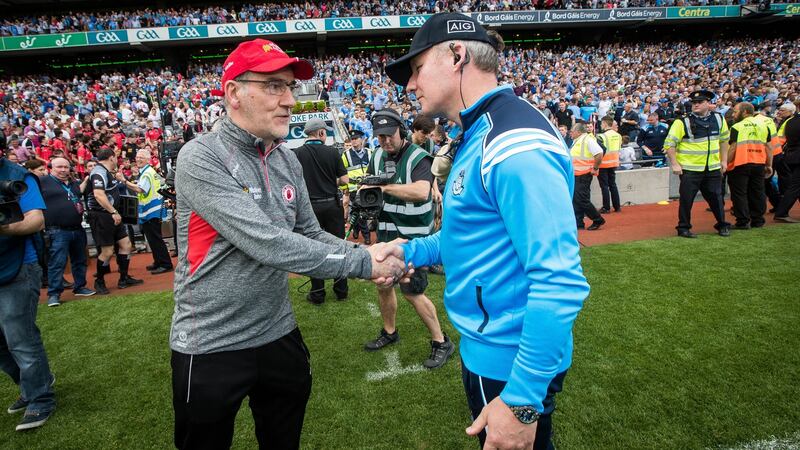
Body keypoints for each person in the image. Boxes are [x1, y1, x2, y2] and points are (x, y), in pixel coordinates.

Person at [169, 38, 406, 450]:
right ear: (233, 93)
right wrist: (365, 263)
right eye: (275, 86)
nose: (290, 100)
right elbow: (267, 243)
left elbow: (310, 235)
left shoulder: (286, 158)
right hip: (209, 343)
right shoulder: (200, 156)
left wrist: (370, 253)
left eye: (291, 87)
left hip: (278, 332)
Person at [383, 13, 589, 449]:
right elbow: (473, 236)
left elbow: (560, 282)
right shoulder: (482, 130)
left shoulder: (513, 142)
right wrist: (411, 252)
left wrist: (522, 399)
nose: (410, 85)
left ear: (457, 55)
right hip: (491, 347)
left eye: (416, 68)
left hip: (510, 361)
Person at [362, 108, 455, 369]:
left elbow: (421, 191)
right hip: (386, 234)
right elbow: (371, 186)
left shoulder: (418, 157)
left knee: (413, 293)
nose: (384, 141)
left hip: (414, 240)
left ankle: (440, 341)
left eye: (389, 135)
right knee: (384, 286)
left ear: (401, 131)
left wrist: (382, 188)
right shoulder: (377, 155)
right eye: (379, 137)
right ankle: (390, 332)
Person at [0, 156, 56, 431]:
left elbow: (36, 221)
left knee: (19, 337)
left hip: (19, 265)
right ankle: (32, 382)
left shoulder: (18, 175)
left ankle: (40, 398)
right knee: (2, 343)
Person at [293, 118, 350, 304]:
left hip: (309, 208)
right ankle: (341, 289)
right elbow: (345, 180)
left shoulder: (297, 154)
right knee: (338, 246)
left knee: (313, 250)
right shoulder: (332, 152)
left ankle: (318, 293)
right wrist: (328, 182)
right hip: (331, 205)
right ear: (320, 133)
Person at [664, 89, 732, 238]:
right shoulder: (682, 121)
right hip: (690, 169)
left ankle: (722, 225)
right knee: (686, 200)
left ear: (709, 103)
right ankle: (683, 228)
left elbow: (724, 141)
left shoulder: (719, 119)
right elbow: (669, 144)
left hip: (712, 168)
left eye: (699, 102)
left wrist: (724, 160)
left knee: (717, 198)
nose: (695, 105)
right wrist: (675, 164)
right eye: (693, 102)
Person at [39, 156, 96, 306]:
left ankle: (80, 286)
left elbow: (78, 194)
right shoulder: (43, 181)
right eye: (59, 167)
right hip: (57, 230)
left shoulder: (73, 183)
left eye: (66, 167)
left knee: (80, 260)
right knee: (57, 263)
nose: (63, 170)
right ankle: (54, 294)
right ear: (51, 167)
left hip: (77, 228)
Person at [85, 148, 144, 294]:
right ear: (111, 158)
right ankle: (99, 281)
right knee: (107, 251)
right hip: (103, 215)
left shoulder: (107, 172)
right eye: (116, 158)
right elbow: (99, 195)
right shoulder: (99, 172)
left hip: (113, 214)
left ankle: (124, 278)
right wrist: (113, 212)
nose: (117, 160)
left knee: (126, 245)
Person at [116, 149, 173, 274]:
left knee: (155, 238)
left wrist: (124, 181)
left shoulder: (147, 173)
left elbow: (141, 190)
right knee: (152, 238)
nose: (138, 159)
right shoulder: (148, 172)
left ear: (148, 159)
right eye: (137, 157)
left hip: (151, 210)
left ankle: (165, 263)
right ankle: (158, 261)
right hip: (152, 210)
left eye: (142, 157)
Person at [726, 102, 771, 229]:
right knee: (758, 192)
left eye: (735, 111)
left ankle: (743, 221)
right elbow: (768, 147)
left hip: (740, 163)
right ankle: (758, 220)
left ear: (744, 112)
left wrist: (725, 163)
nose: (733, 115)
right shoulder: (764, 126)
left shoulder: (737, 127)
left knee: (739, 194)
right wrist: (769, 164)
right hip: (759, 163)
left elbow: (733, 147)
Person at [570, 122, 605, 230]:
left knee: (581, 200)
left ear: (578, 132)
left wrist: (595, 168)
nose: (570, 133)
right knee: (576, 199)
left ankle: (597, 219)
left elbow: (599, 153)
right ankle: (579, 222)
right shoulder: (578, 141)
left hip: (583, 174)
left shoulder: (588, 140)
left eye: (572, 131)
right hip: (577, 174)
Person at [341, 129, 372, 244]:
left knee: (361, 212)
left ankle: (356, 228)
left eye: (355, 139)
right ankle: (367, 235)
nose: (353, 141)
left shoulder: (370, 152)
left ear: (362, 139)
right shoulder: (346, 155)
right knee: (360, 213)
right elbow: (342, 173)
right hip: (354, 189)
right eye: (352, 139)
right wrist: (345, 189)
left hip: (368, 188)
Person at [772, 102, 800, 222]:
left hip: (792, 156)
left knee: (796, 185)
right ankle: (781, 212)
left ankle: (781, 211)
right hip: (796, 156)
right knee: (795, 186)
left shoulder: (791, 121)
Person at [596, 116, 622, 214]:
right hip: (614, 162)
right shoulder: (618, 135)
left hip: (604, 164)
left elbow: (599, 151)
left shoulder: (601, 136)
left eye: (602, 123)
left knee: (604, 186)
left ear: (605, 124)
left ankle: (606, 207)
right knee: (613, 185)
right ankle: (617, 206)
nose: (601, 125)